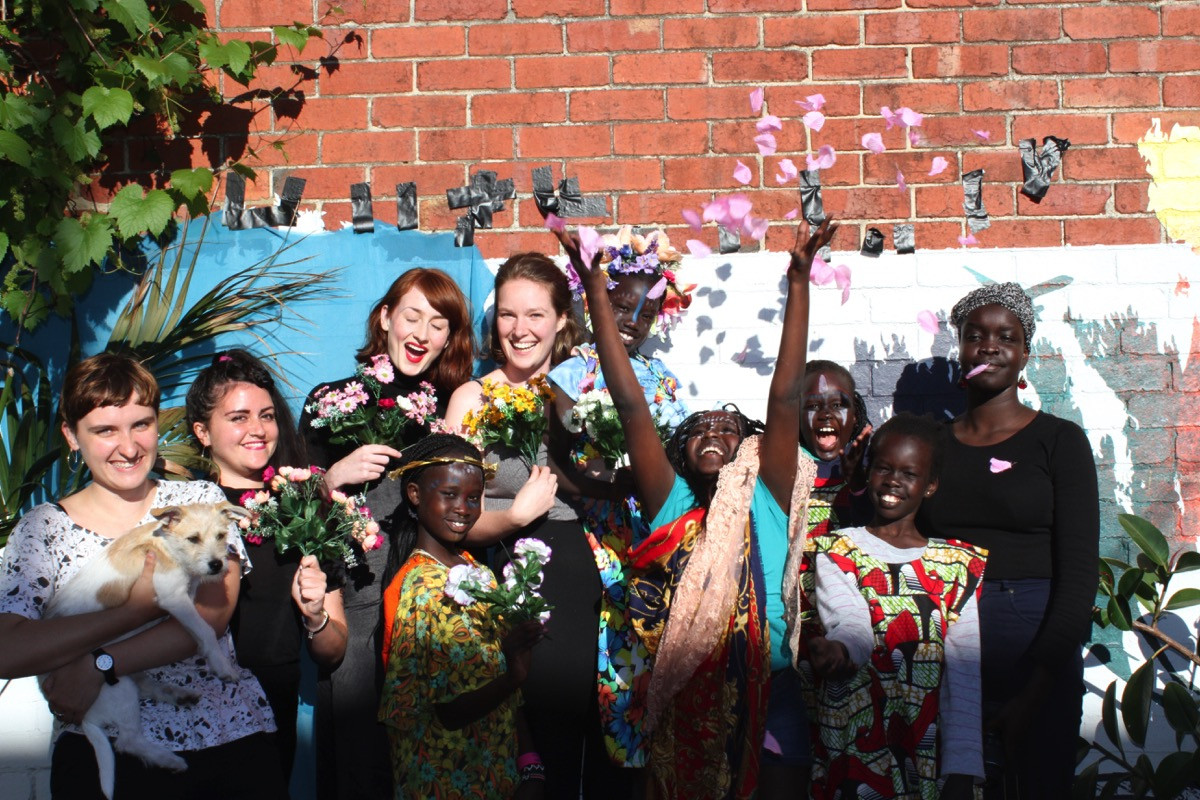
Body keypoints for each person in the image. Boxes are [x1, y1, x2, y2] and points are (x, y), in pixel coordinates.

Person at [553, 218, 835, 800]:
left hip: (772, 688)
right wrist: (595, 291)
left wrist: (799, 281)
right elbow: (631, 403)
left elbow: (786, 397)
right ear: (678, 452)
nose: (711, 433)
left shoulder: (766, 494)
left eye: (727, 428)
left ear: (749, 448)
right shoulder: (673, 503)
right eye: (698, 429)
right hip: (690, 694)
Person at [0, 352, 284, 799]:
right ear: (71, 436)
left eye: (141, 424)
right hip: (104, 755)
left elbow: (212, 614)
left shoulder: (197, 498)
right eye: (105, 430)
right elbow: (8, 648)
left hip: (226, 739)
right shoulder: (43, 529)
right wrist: (132, 611)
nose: (129, 447)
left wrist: (98, 665)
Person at [298, 268, 476, 800]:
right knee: (359, 763)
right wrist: (333, 476)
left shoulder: (450, 411)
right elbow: (295, 511)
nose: (421, 334)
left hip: (427, 605)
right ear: (384, 318)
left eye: (438, 324)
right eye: (411, 316)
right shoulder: (332, 401)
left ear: (449, 338)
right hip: (355, 603)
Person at [918, 282, 1099, 798]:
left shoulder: (1059, 441)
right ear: (960, 349)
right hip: (947, 647)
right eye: (975, 336)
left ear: (1024, 353)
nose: (989, 346)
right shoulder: (932, 445)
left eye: (1006, 337)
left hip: (1035, 647)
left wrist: (1038, 687)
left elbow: (1079, 573)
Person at [445, 252, 607, 798]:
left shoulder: (589, 388)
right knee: (519, 746)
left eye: (536, 315)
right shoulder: (472, 398)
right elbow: (447, 520)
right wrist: (514, 516)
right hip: (501, 574)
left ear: (562, 319)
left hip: (581, 576)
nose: (520, 330)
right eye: (509, 315)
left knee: (578, 744)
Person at [544, 226, 691, 770]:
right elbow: (557, 466)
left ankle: (635, 762)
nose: (632, 321)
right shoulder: (570, 375)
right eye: (622, 307)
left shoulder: (662, 378)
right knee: (599, 651)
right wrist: (608, 487)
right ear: (595, 302)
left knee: (645, 653)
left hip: (651, 534)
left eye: (645, 313)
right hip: (593, 534)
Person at [186, 349, 348, 782]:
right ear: (203, 431)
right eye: (238, 418)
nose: (257, 429)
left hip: (270, 712)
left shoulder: (308, 508)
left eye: (267, 415)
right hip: (186, 709)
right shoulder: (179, 509)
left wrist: (315, 617)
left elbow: (333, 650)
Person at [806, 412, 986, 799]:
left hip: (926, 751)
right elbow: (851, 621)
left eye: (909, 473)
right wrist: (840, 651)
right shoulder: (839, 550)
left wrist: (964, 768)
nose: (892, 481)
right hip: (857, 750)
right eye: (883, 468)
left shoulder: (959, 567)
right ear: (869, 472)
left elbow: (964, 672)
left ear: (930, 485)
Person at [378, 433, 543, 799]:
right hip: (445, 782)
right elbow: (449, 712)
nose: (464, 508)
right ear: (415, 494)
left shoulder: (476, 571)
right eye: (449, 494)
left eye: (473, 497)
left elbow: (507, 695)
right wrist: (513, 673)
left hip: (495, 775)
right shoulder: (423, 587)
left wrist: (530, 765)